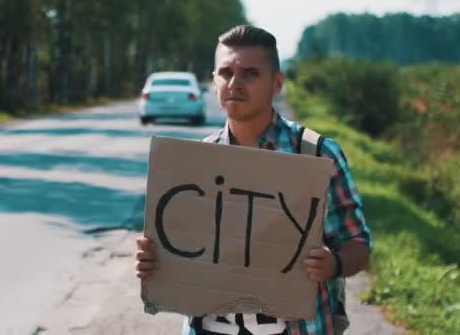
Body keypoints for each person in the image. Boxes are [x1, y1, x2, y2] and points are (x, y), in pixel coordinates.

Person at [135, 25, 372, 335]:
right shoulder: (196, 161)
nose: (235, 83)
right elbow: (179, 248)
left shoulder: (316, 155)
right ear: (214, 80)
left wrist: (334, 265)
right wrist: (151, 260)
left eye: (250, 74)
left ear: (276, 84)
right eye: (226, 73)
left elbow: (359, 246)